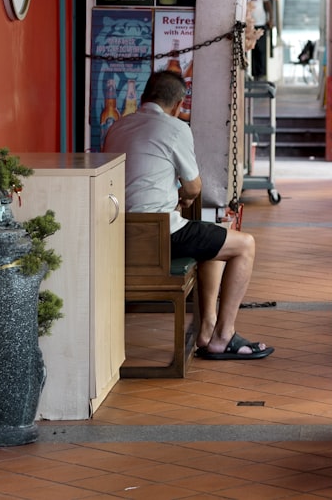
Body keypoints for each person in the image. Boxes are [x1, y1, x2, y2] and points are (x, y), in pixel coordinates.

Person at [104, 70, 273, 360]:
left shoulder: (117, 127)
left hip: (117, 233)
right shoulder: (174, 128)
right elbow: (195, 186)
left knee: (213, 241)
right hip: (159, 236)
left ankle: (207, 328)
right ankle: (224, 334)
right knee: (245, 245)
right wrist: (183, 196)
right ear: (179, 104)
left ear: (144, 96)